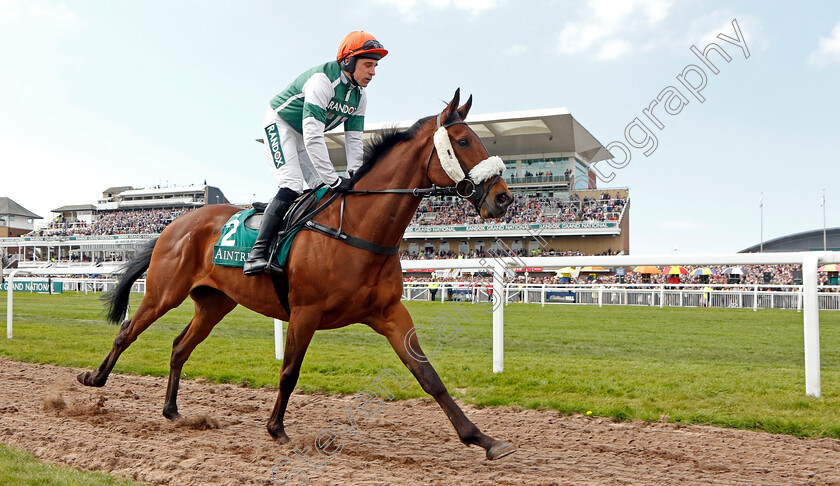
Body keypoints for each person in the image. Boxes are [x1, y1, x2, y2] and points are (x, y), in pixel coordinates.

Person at [244, 31, 388, 275]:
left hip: (303, 133)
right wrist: (334, 178)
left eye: (375, 65)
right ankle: (256, 254)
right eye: (368, 65)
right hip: (281, 123)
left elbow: (353, 143)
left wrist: (354, 177)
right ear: (348, 62)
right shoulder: (322, 82)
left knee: (322, 191)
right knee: (291, 183)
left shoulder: (359, 97)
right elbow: (313, 137)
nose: (373, 72)